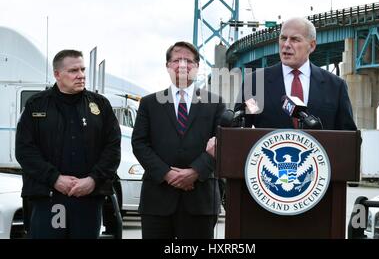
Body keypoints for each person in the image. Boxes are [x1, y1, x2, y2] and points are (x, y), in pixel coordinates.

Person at [15, 49, 121, 239]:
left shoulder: (100, 105)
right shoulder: (36, 105)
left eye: (82, 69)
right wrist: (55, 179)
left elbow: (112, 149)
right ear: (57, 74)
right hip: (49, 199)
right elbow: (25, 150)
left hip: (88, 198)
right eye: (73, 71)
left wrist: (93, 180)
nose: (81, 75)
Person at [132, 41, 225, 239]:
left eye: (189, 61)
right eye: (176, 60)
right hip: (157, 199)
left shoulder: (215, 103)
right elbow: (139, 144)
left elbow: (223, 144)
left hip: (200, 200)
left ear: (197, 67)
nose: (182, 65)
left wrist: (195, 171)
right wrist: (166, 174)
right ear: (167, 66)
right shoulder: (149, 103)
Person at [239, 17, 357, 130]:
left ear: (311, 46)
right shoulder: (256, 83)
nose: (286, 45)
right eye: (283, 38)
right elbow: (240, 130)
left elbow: (349, 137)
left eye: (295, 39)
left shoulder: (335, 86)